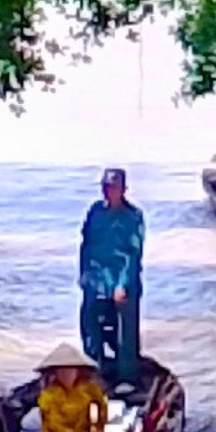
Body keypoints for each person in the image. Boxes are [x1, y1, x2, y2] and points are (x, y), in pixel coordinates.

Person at [79, 167, 145, 392]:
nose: (109, 192)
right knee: (89, 324)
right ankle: (94, 369)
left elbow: (133, 254)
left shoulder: (133, 216)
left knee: (125, 331)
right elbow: (85, 244)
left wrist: (122, 285)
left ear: (123, 189)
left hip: (122, 280)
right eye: (106, 187)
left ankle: (127, 376)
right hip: (96, 278)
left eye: (114, 188)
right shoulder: (95, 211)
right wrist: (83, 274)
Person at [33, 343, 126, 432]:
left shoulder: (88, 389)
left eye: (70, 369)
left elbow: (102, 408)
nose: (66, 374)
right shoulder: (48, 396)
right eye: (61, 370)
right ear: (55, 372)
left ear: (78, 370)